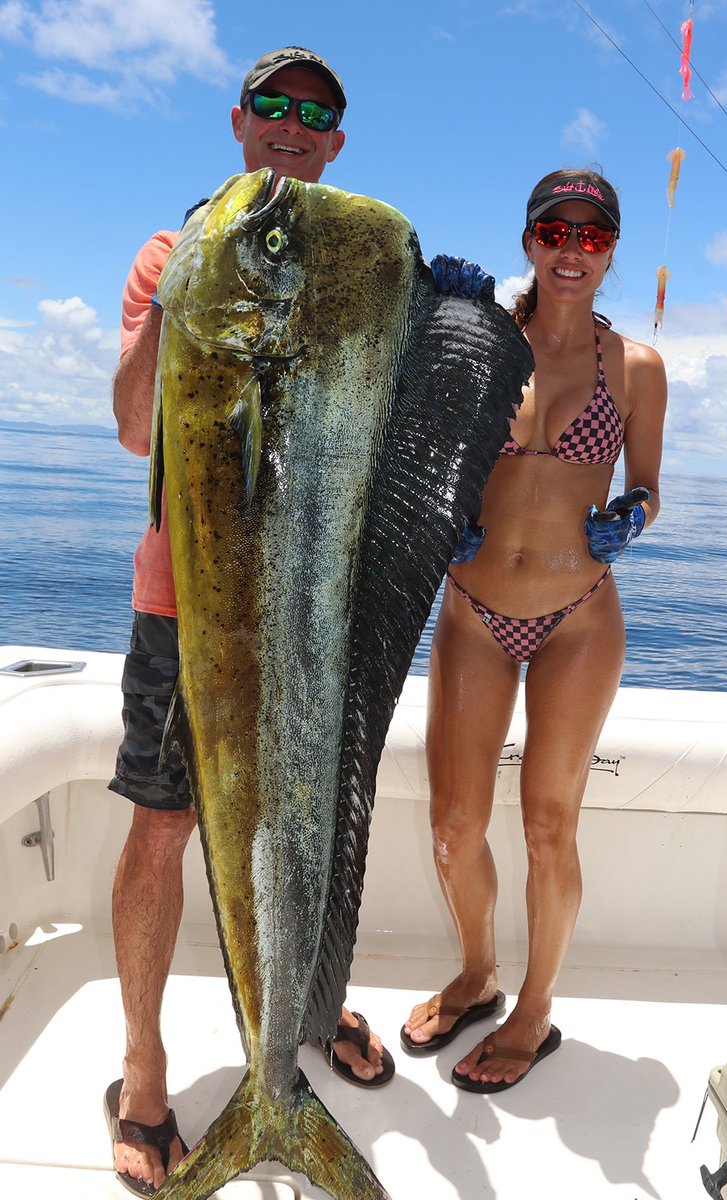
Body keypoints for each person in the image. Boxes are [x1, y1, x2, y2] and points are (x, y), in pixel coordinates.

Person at [107, 47, 380, 1196]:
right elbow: (133, 426)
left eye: (314, 112)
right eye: (272, 104)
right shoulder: (176, 256)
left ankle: (300, 1023)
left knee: (312, 827)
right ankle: (145, 1070)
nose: (291, 123)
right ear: (237, 121)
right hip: (191, 608)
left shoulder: (363, 276)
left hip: (322, 614)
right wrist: (185, 311)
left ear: (336, 143)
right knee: (168, 830)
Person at [401, 169, 667, 1092]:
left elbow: (648, 486)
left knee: (549, 829)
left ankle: (535, 1008)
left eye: (592, 237)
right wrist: (430, 313)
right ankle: (477, 972)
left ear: (610, 253)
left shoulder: (635, 368)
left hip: (577, 620)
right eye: (555, 231)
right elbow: (419, 449)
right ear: (528, 242)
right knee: (451, 828)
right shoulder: (478, 346)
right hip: (472, 613)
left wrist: (627, 517)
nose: (571, 250)